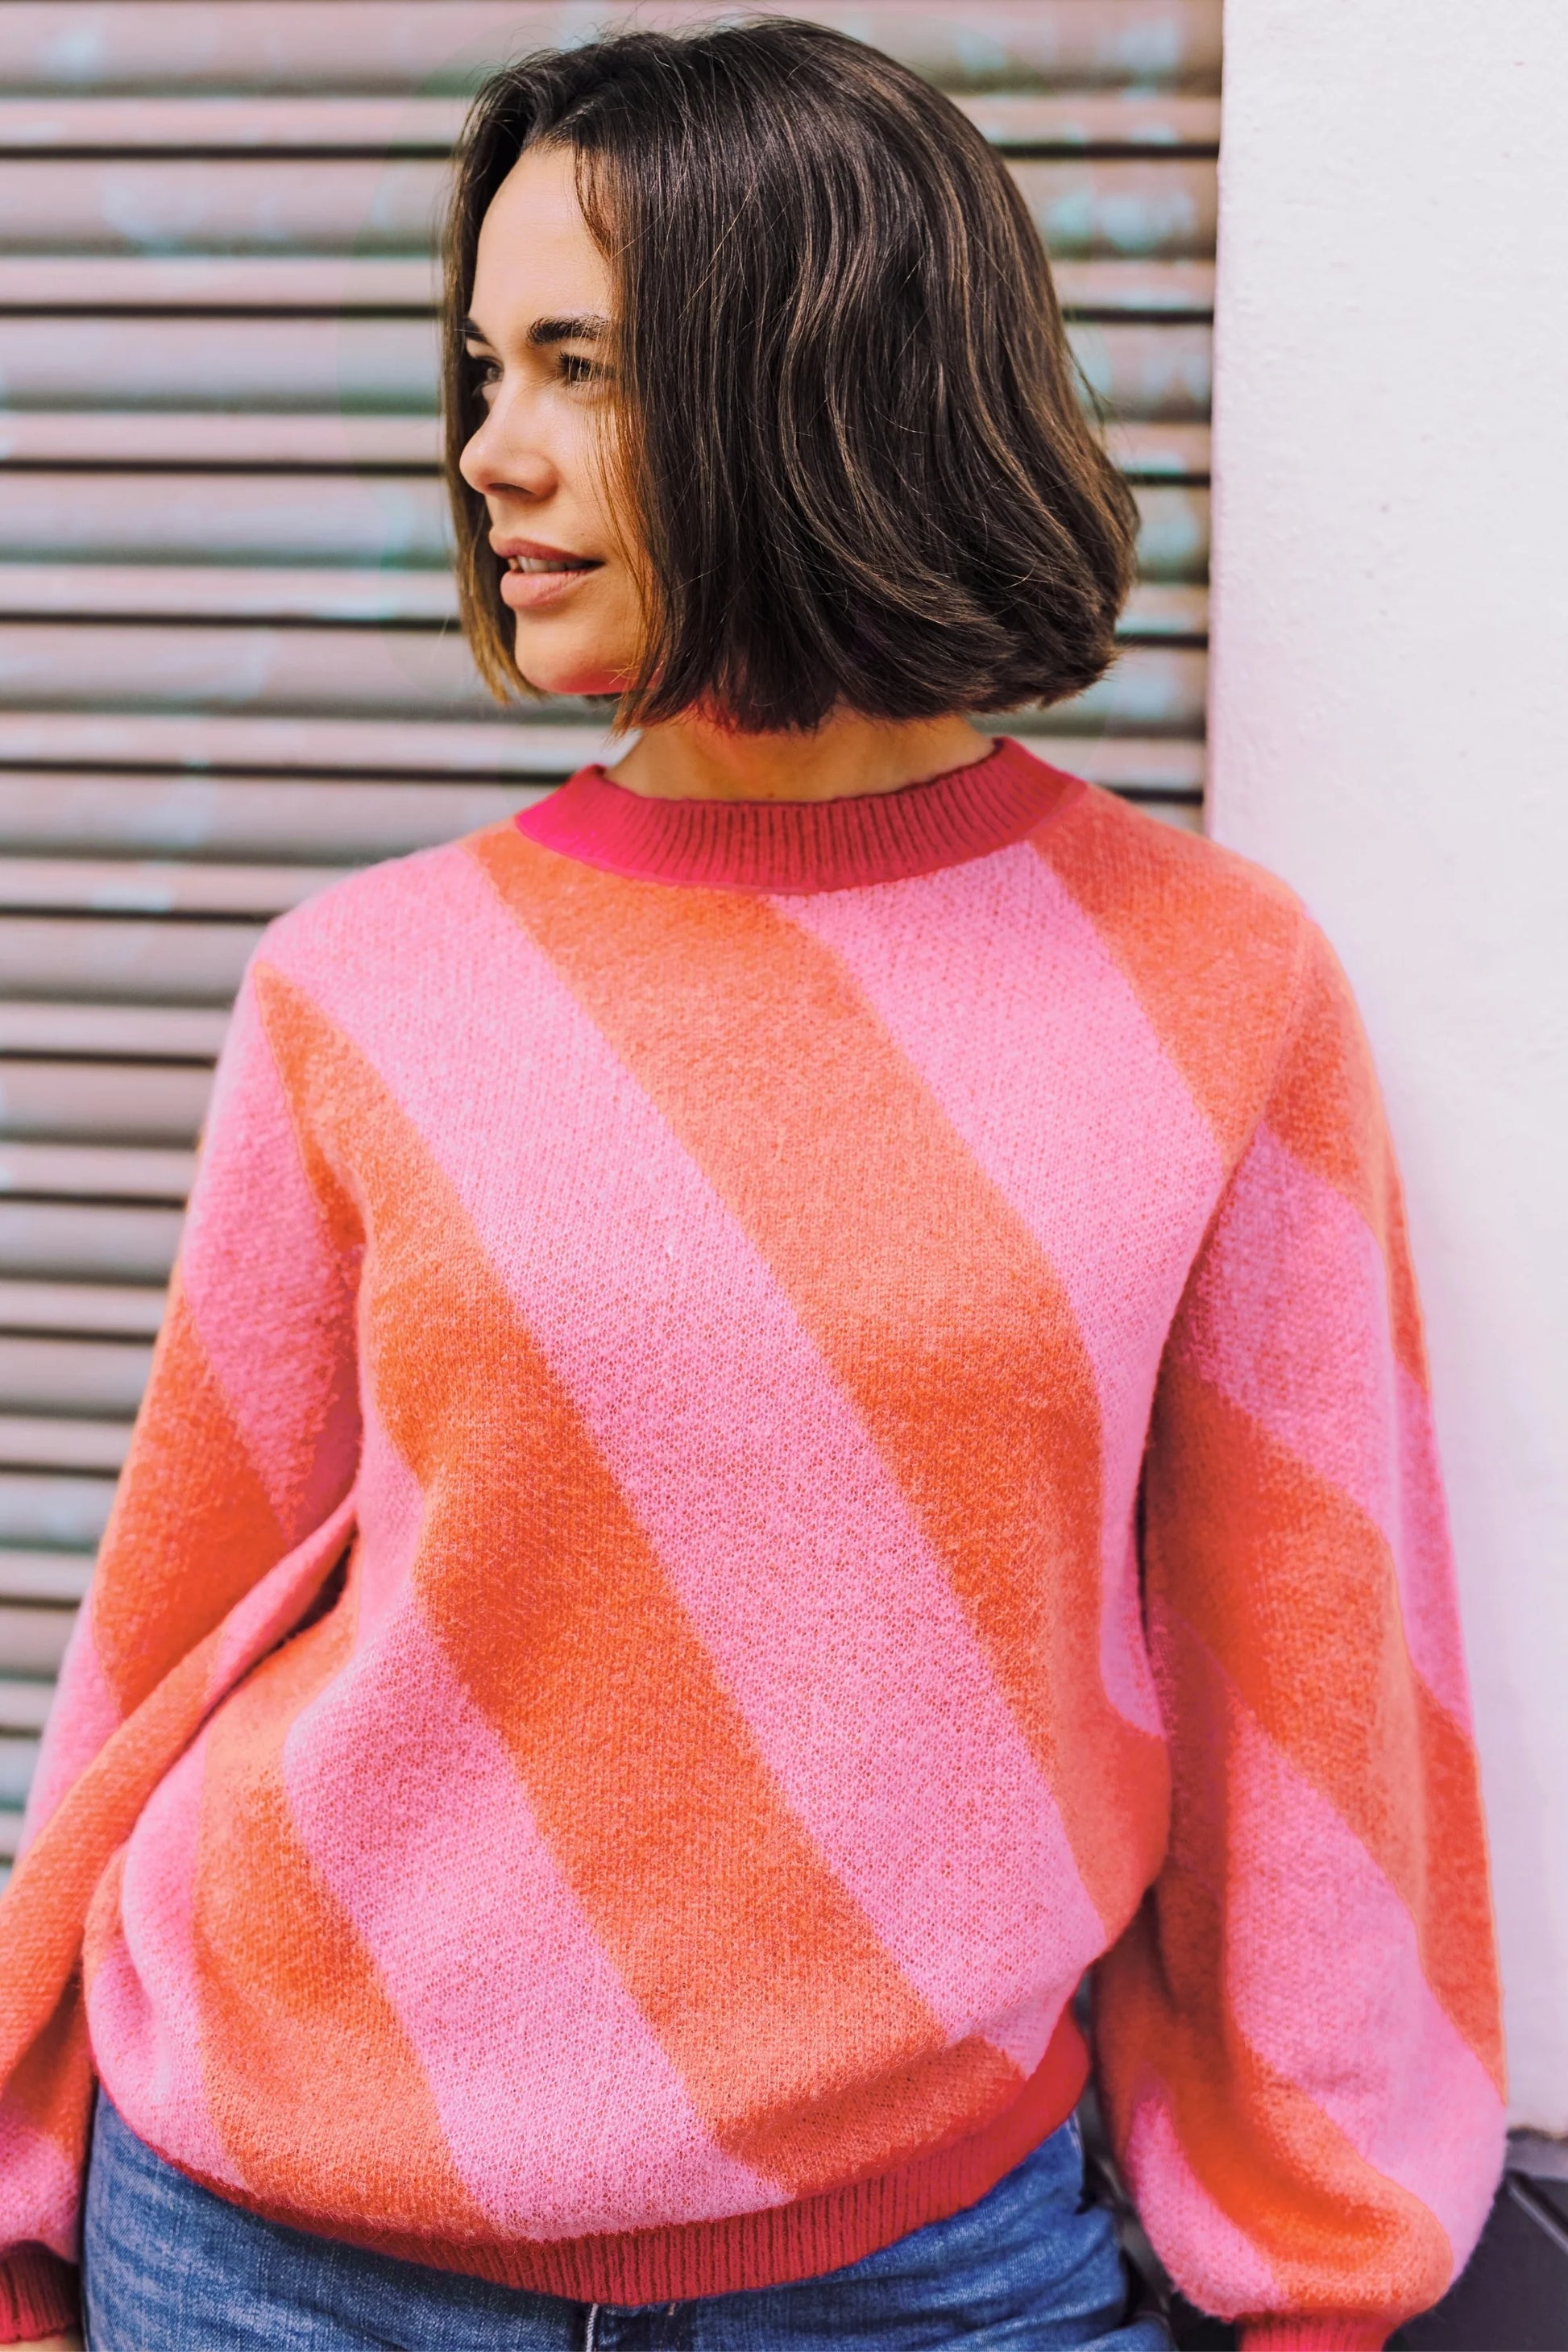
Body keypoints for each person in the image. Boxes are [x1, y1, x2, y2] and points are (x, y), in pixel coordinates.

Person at [0, 21, 1504, 2351]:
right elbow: (168, 1637)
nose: (487, 452)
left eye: (577, 365)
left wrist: (1319, 2287)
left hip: (922, 2274)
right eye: (482, 368)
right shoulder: (361, 987)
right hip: (270, 2255)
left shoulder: (1212, 990)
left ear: (821, 379)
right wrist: (24, 2218)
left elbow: (1305, 1696)